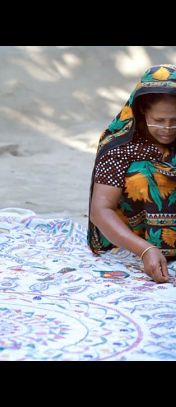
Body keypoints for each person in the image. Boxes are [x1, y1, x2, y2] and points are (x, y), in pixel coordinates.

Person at [88, 64, 176, 284]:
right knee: (143, 173)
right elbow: (100, 210)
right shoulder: (121, 146)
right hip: (131, 242)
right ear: (143, 111)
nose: (167, 129)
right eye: (159, 120)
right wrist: (144, 250)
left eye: (175, 121)